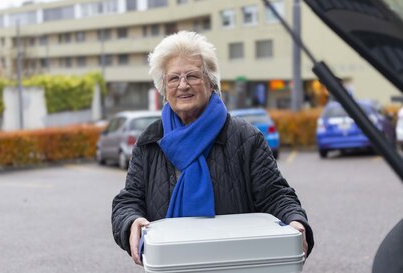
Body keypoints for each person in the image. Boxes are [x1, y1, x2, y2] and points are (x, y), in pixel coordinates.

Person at [111, 31, 314, 265]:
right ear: (163, 87)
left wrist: (295, 221)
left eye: (193, 76)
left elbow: (276, 195)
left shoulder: (244, 137)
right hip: (171, 264)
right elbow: (129, 200)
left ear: (210, 82)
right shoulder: (150, 140)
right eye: (174, 78)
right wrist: (130, 221)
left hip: (236, 264)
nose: (183, 85)